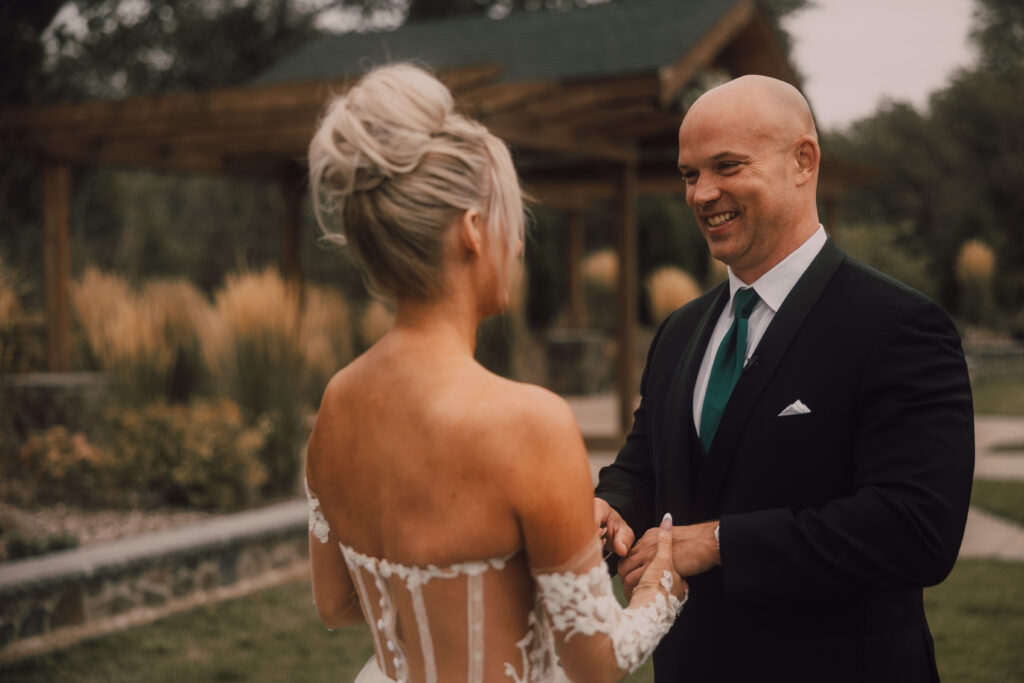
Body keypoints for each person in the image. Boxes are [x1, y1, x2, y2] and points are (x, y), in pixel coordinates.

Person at [303, 63, 687, 683]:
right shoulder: (530, 422)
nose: (516, 244)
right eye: (510, 217)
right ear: (473, 232)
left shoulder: (337, 402)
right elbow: (596, 661)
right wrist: (663, 587)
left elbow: (337, 604)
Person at [594, 75, 974, 682]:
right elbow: (646, 464)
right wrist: (612, 507)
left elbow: (916, 528)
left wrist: (719, 543)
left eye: (727, 166)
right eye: (690, 174)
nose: (702, 194)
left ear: (804, 161)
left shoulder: (898, 326)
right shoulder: (678, 331)